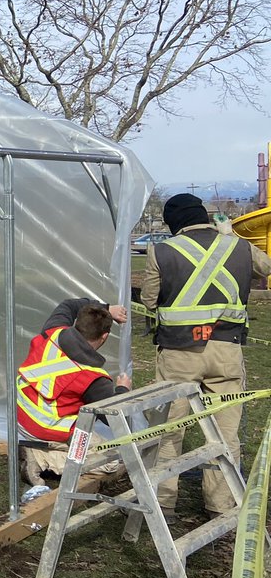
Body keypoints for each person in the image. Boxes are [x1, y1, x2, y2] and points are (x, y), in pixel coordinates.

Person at [141, 192, 271, 521]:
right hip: (226, 351)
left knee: (169, 430)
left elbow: (150, 300)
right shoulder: (238, 246)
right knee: (225, 432)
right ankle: (220, 506)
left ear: (173, 223)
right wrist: (233, 235)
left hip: (178, 354)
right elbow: (266, 267)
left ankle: (164, 504)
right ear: (205, 216)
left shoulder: (162, 251)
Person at [16, 298, 131, 485]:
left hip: (19, 414)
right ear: (104, 337)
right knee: (111, 460)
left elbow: (68, 305)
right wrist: (123, 389)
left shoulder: (52, 331)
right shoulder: (92, 377)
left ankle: (44, 450)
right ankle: (40, 457)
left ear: (76, 323)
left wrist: (107, 308)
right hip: (47, 428)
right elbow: (115, 417)